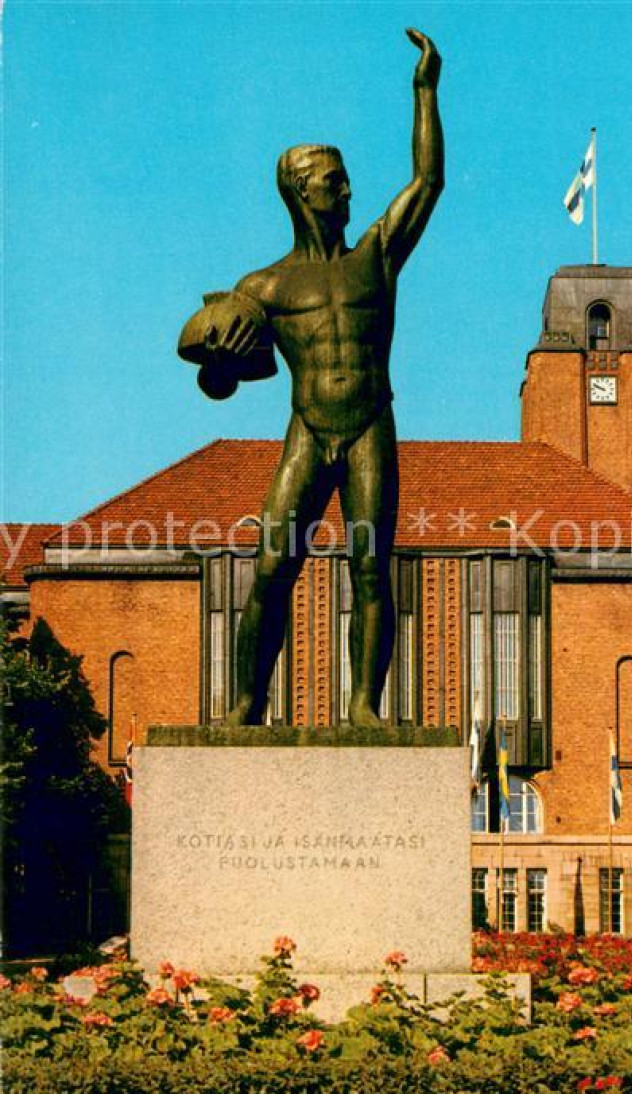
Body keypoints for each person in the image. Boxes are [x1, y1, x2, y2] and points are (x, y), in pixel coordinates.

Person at [195, 28, 443, 726]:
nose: (349, 189)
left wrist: (424, 91)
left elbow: (427, 182)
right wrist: (219, 354)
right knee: (273, 569)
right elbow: (219, 383)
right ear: (304, 192)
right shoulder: (265, 285)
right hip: (308, 431)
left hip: (370, 423)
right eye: (335, 181)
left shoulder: (377, 258)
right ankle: (248, 701)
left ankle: (364, 705)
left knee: (370, 569)